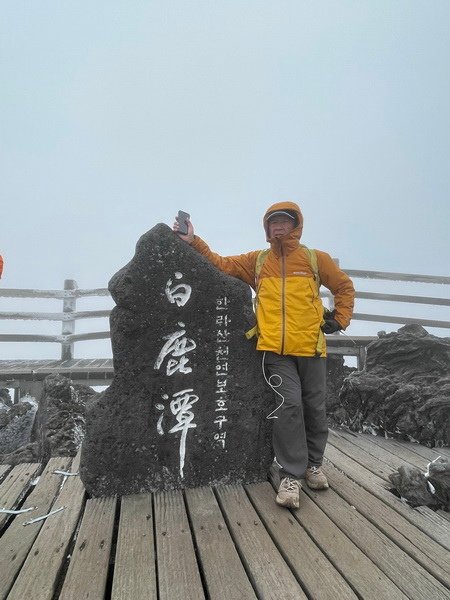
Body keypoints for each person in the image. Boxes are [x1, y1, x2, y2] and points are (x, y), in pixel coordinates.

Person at [173, 201, 354, 508]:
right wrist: (194, 240)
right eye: (273, 222)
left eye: (284, 221)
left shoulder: (313, 259)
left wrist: (340, 318)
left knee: (314, 409)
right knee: (289, 406)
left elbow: (343, 286)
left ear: (296, 226)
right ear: (266, 228)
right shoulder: (257, 262)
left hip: (311, 348)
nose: (278, 227)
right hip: (274, 351)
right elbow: (220, 263)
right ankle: (291, 476)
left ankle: (314, 464)